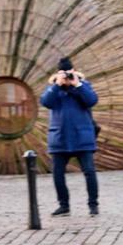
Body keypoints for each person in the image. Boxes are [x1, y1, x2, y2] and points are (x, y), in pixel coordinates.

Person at [40, 56, 100, 217]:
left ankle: (93, 205)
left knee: (89, 171)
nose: (66, 76)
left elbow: (92, 100)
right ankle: (63, 205)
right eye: (63, 73)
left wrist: (77, 85)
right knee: (57, 173)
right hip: (60, 138)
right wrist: (57, 86)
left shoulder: (83, 86)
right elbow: (46, 102)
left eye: (68, 73)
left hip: (82, 137)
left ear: (74, 71)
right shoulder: (53, 88)